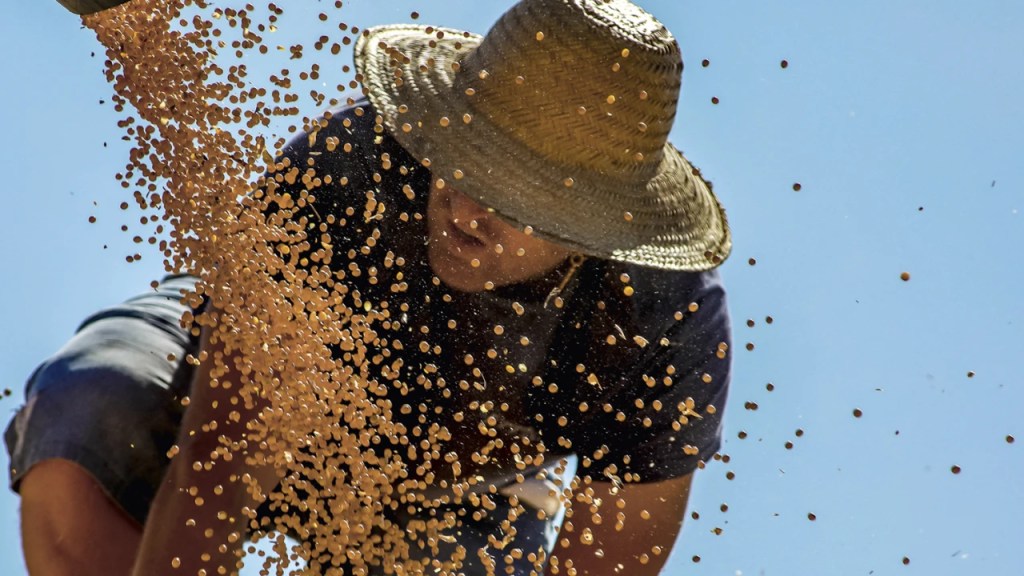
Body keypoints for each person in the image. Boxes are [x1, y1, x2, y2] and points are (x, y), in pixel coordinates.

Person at [5, 0, 733, 574]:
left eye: (518, 198)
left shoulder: (662, 326)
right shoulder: (348, 171)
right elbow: (217, 465)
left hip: (460, 491)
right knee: (91, 407)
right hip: (244, 383)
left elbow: (604, 566)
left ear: (593, 228)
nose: (469, 208)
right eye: (465, 157)